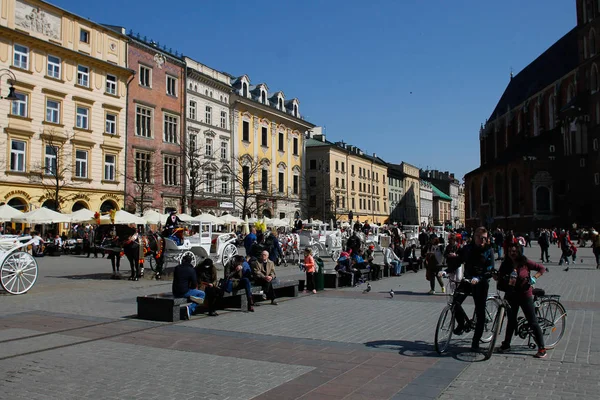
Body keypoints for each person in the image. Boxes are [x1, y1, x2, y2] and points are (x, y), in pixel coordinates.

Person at [440, 226, 495, 351]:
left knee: (480, 313)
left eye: (484, 238)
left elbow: (490, 269)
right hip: (467, 280)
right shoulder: (467, 249)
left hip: (481, 282)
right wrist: (446, 271)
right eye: (480, 238)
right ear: (474, 237)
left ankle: (475, 343)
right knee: (455, 301)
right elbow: (457, 262)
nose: (482, 240)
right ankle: (461, 323)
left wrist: (480, 278)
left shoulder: (488, 250)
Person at [495, 243, 547, 358]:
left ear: (519, 252)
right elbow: (500, 277)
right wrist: (496, 277)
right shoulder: (505, 264)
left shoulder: (525, 262)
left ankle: (542, 348)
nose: (511, 254)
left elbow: (541, 268)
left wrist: (534, 278)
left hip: (525, 295)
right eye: (509, 251)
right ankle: (506, 345)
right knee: (511, 321)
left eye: (514, 251)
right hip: (511, 295)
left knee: (532, 321)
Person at [172, 253, 205, 320]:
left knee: (194, 295)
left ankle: (192, 299)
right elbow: (194, 283)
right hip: (184, 292)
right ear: (190, 261)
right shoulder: (191, 270)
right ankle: (190, 309)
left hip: (175, 291)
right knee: (202, 294)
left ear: (183, 260)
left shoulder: (177, 268)